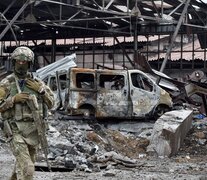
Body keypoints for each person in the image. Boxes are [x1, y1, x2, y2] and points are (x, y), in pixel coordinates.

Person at [0, 46, 54, 180]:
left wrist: (42, 91)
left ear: (30, 63)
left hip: (34, 131)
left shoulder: (37, 83)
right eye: (19, 61)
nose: (21, 64)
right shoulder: (7, 83)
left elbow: (52, 103)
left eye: (24, 62)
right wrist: (13, 100)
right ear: (13, 62)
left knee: (21, 166)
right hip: (15, 130)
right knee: (27, 168)